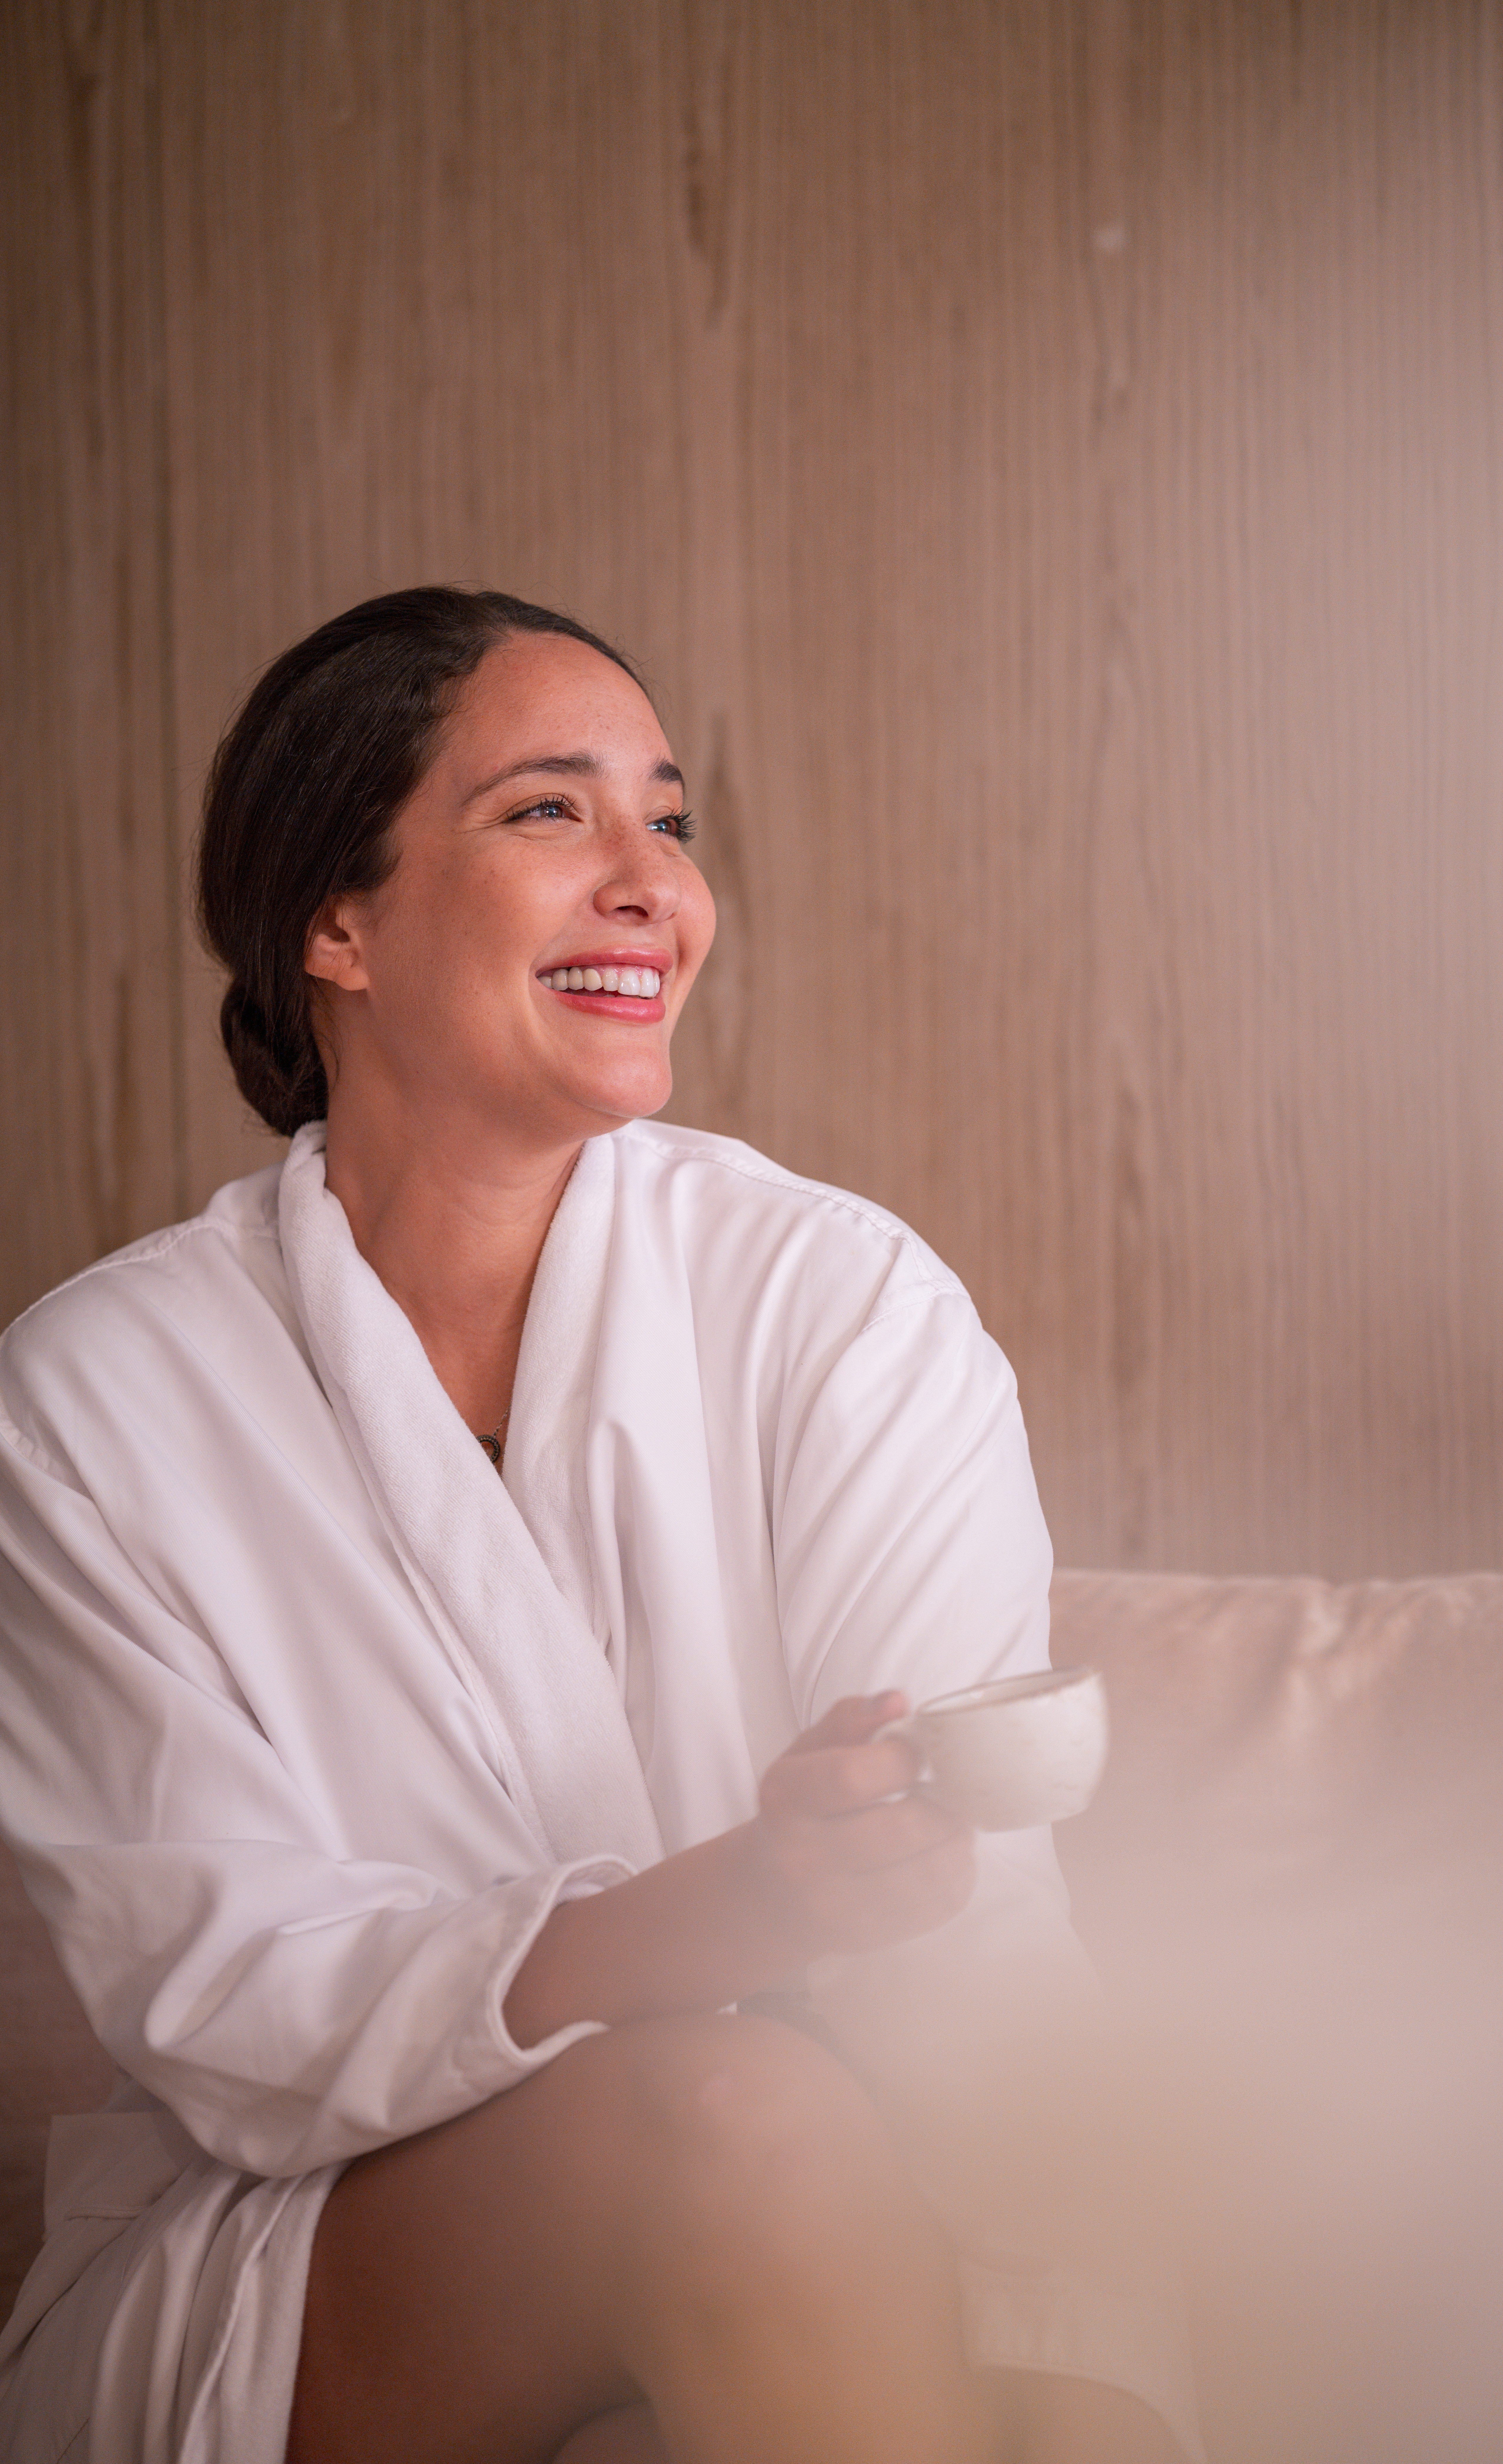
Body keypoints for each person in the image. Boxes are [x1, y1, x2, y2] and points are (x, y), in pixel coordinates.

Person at [0, 589, 1196, 2464]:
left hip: (874, 2161)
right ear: (337, 922)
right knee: (735, 2120)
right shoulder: (91, 1400)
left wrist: (1097, 2307)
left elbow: (976, 1918)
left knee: (1051, 2390)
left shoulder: (844, 1307)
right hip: (326, 2243)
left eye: (672, 819)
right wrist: (744, 1904)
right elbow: (235, 2011)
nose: (655, 885)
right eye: (552, 811)